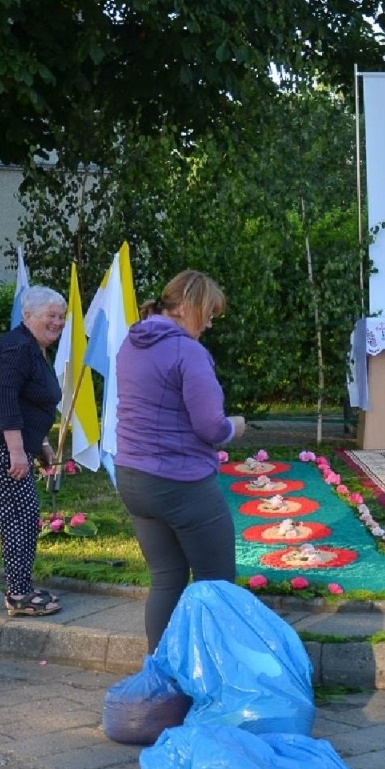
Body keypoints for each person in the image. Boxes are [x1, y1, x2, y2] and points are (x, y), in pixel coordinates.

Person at [115, 270, 247, 652]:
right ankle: (214, 671)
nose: (209, 324)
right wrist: (235, 427)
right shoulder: (188, 352)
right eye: (208, 314)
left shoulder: (131, 342)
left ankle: (161, 672)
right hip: (181, 482)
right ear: (187, 306)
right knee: (216, 584)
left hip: (133, 477)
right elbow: (210, 427)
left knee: (166, 580)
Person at [0, 286, 67, 617]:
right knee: (17, 515)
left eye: (61, 316)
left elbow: (30, 402)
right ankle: (18, 595)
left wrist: (42, 445)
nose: (58, 322)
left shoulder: (32, 347)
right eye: (50, 315)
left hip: (11, 443)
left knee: (24, 514)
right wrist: (16, 451)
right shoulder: (18, 348)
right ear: (27, 315)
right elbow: (6, 399)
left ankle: (21, 587)